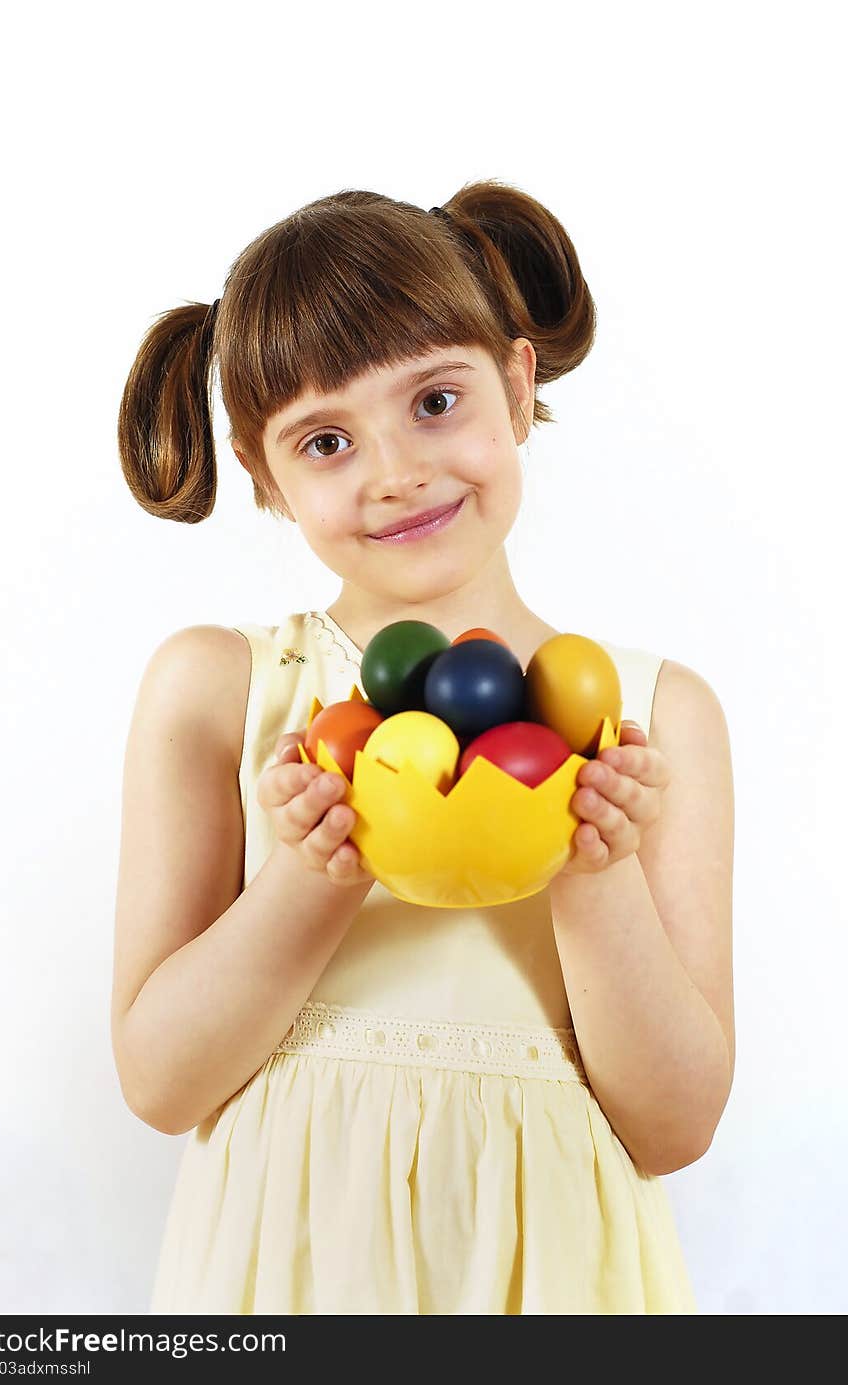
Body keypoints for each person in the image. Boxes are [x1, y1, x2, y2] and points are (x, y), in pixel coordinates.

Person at [112, 180, 735, 1315]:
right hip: (292, 1266)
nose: (394, 469)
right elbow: (160, 1080)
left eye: (436, 400)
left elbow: (676, 1123)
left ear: (516, 382)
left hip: (552, 1270)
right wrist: (306, 873)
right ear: (265, 474)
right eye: (328, 439)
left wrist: (596, 870)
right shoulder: (225, 689)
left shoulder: (648, 716)